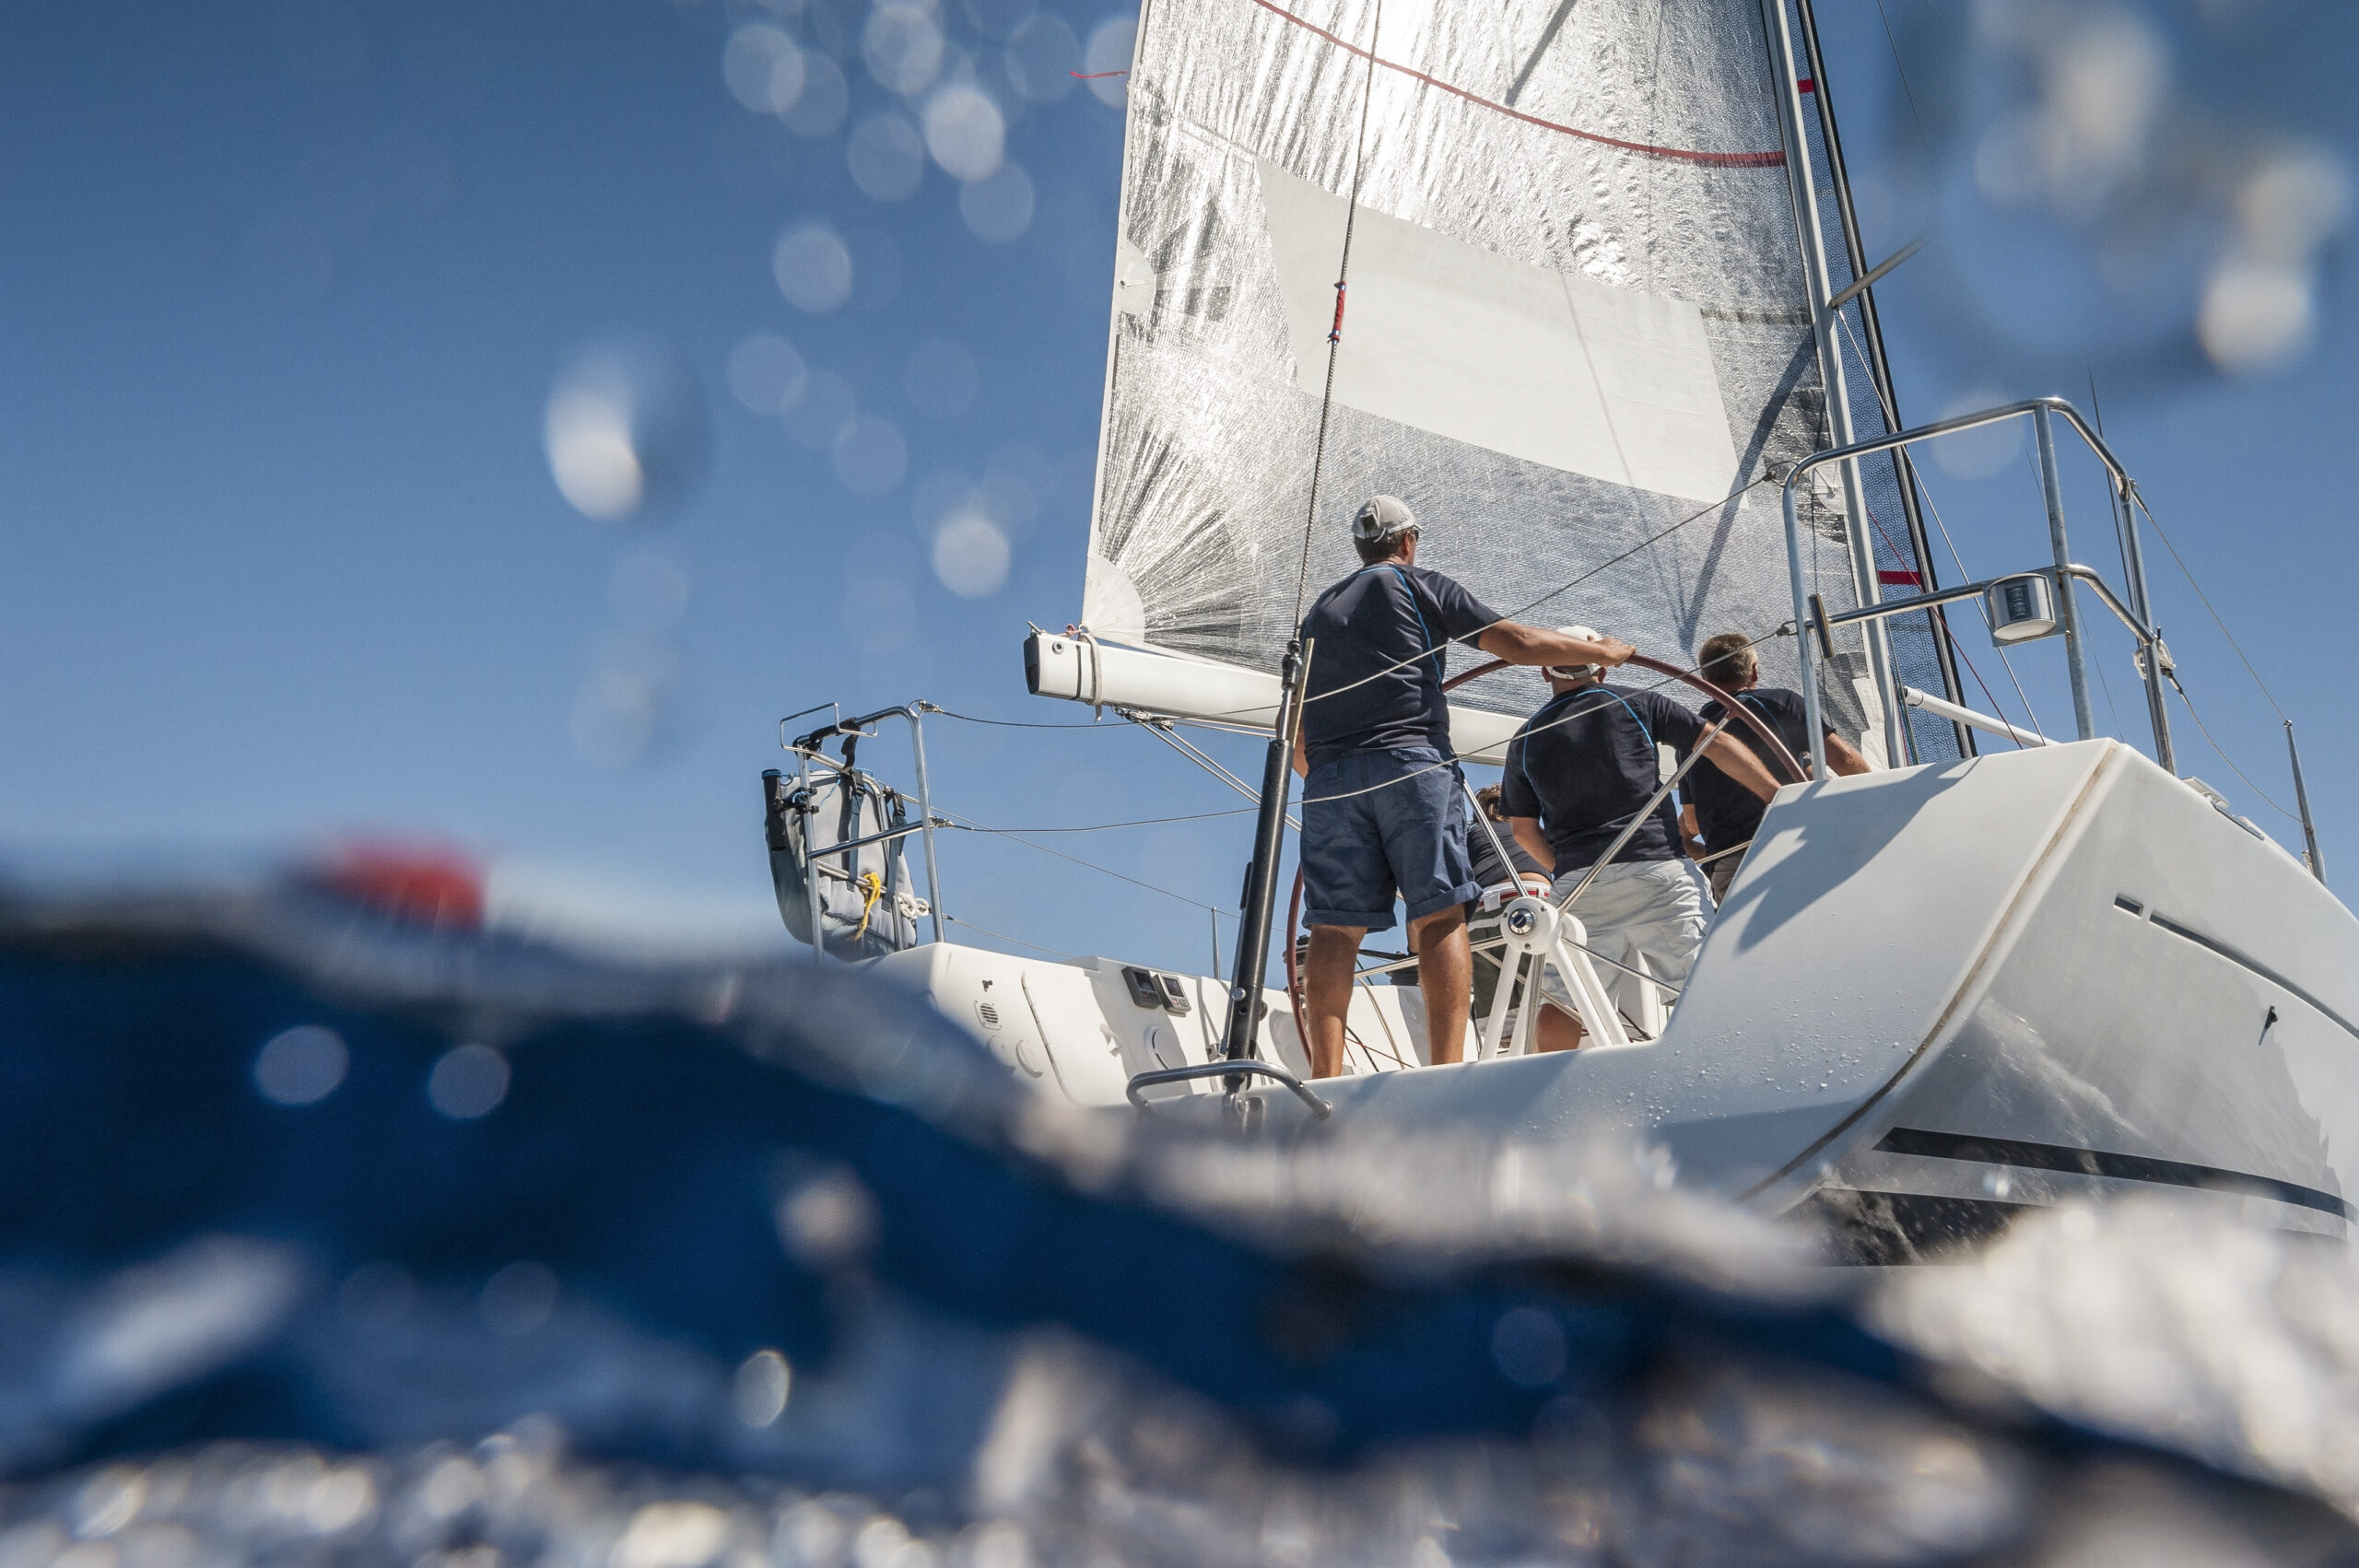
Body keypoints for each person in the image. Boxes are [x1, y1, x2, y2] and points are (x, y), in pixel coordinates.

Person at [1291, 496, 1634, 1078]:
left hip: (1328, 779)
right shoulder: (1418, 586)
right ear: (1407, 542)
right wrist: (1601, 652)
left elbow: (1297, 732)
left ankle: (1326, 1076)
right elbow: (1519, 644)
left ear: (1359, 548)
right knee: (1439, 911)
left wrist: (1338, 780)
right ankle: (1445, 1069)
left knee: (1333, 927)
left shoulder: (1318, 612)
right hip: (1412, 764)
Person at [1499, 629, 1782, 1053]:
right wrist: (1780, 798)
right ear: (1601, 665)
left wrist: (1565, 869)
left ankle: (1555, 1100)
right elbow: (1718, 744)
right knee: (1706, 986)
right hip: (1659, 872)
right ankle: (1734, 1078)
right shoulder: (1638, 702)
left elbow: (1523, 829)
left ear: (1544, 671)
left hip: (1579, 885)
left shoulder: (1524, 737)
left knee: (1565, 1003)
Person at [1681, 631, 1872, 903]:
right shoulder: (1780, 702)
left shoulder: (1692, 729)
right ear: (1754, 671)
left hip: (1730, 869)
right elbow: (1844, 759)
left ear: (1704, 679)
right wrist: (1879, 800)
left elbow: (1693, 822)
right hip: (1791, 848)